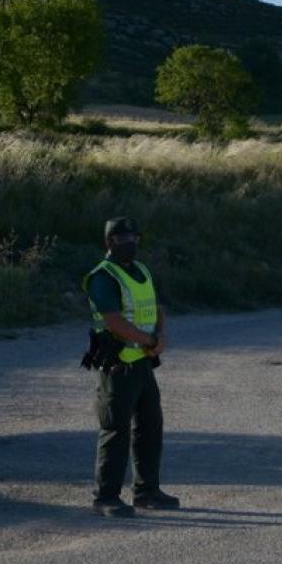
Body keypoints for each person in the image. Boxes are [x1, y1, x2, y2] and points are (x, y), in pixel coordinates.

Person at [83, 217, 181, 517]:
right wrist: (150, 339)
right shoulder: (103, 276)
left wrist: (160, 337)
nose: (132, 244)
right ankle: (106, 497)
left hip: (141, 364)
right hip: (116, 366)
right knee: (115, 430)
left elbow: (156, 306)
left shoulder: (141, 271)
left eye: (135, 238)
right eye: (125, 239)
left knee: (150, 428)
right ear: (110, 242)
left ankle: (147, 491)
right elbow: (113, 320)